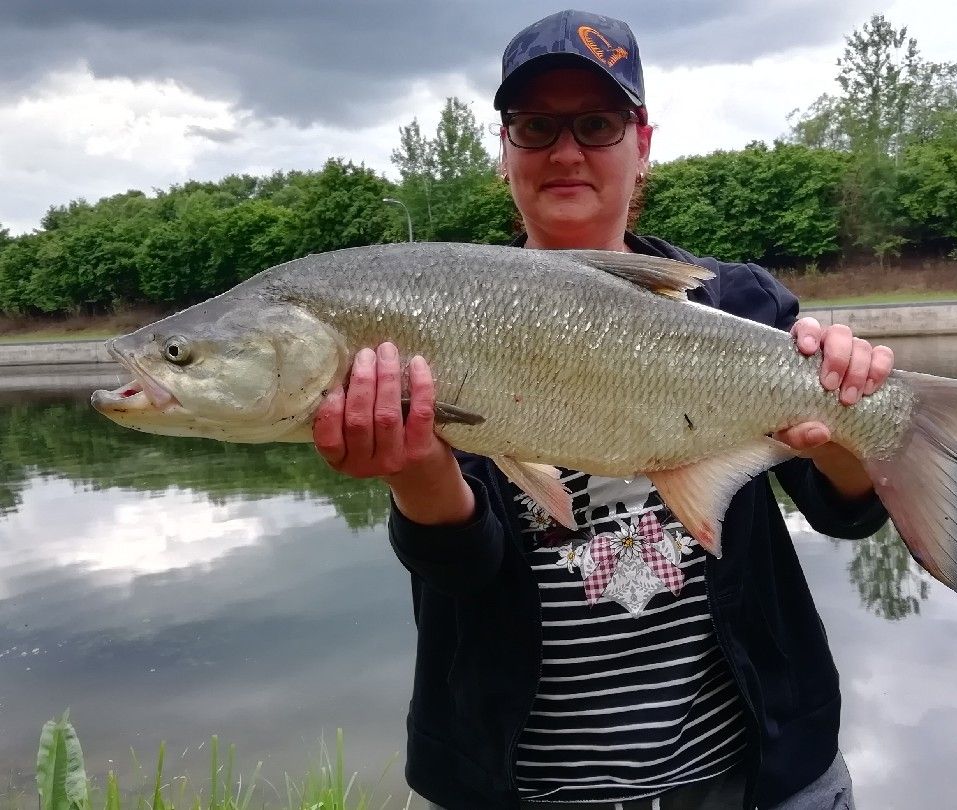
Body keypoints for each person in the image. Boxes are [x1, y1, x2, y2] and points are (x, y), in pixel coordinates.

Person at [313, 10, 894, 809]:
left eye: (597, 123)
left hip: (753, 773)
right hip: (520, 783)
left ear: (642, 143)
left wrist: (851, 423)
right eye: (534, 126)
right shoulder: (438, 317)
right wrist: (419, 474)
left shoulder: (739, 305)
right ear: (505, 150)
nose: (565, 150)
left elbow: (847, 513)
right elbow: (464, 569)